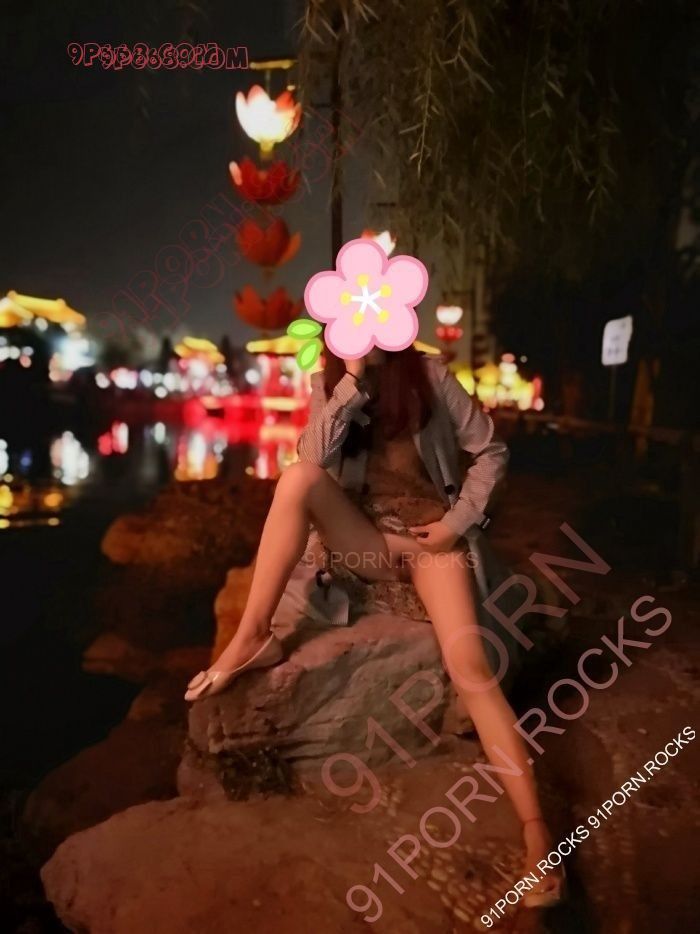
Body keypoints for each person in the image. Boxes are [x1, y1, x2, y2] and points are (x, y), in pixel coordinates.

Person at [185, 346, 564, 906]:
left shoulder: (429, 375)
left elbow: (491, 450)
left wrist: (457, 523)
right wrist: (351, 380)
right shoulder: (332, 380)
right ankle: (253, 637)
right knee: (297, 479)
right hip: (366, 545)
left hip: (434, 546)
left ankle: (538, 838)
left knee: (471, 669)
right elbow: (311, 457)